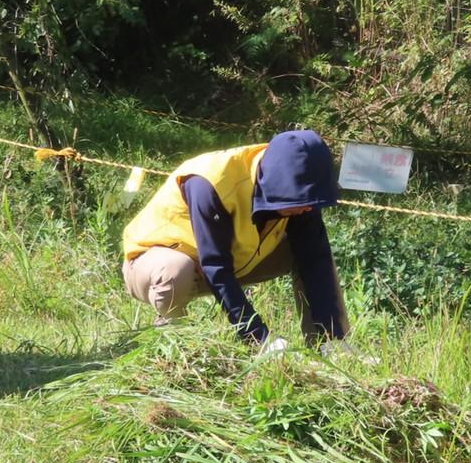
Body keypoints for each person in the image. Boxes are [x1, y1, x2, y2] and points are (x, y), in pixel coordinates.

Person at [121, 130, 352, 352]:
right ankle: (174, 342)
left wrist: (334, 336)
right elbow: (216, 266)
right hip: (152, 266)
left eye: (312, 202)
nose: (308, 208)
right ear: (277, 185)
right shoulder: (210, 182)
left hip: (234, 261)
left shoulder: (300, 193)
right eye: (301, 202)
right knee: (174, 269)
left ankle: (329, 343)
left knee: (314, 254)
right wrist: (260, 339)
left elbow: (316, 260)